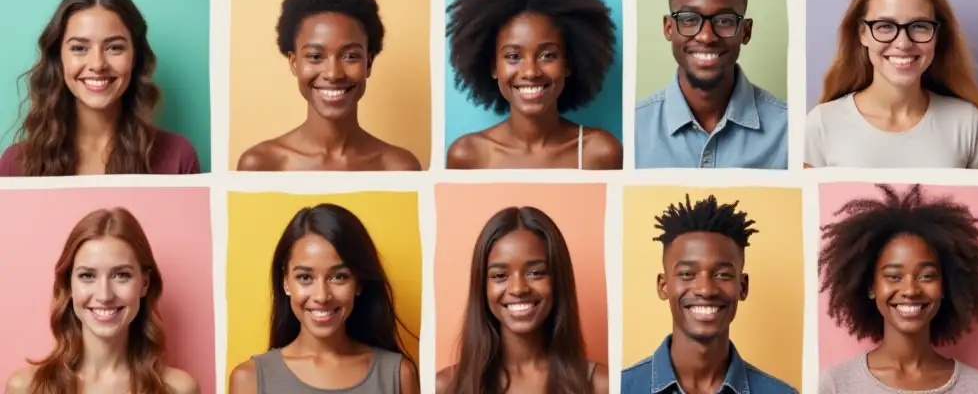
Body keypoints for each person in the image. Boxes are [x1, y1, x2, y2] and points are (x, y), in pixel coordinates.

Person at [804, 0, 978, 169]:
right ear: (863, 34)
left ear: (937, 35)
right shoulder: (822, 124)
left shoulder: (968, 123)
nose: (903, 43)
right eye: (885, 26)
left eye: (919, 26)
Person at [0, 0, 199, 176]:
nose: (97, 65)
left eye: (114, 47)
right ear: (58, 58)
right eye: (79, 48)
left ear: (135, 57)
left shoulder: (179, 157)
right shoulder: (14, 164)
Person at [444, 0, 622, 170]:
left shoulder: (599, 151)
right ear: (492, 66)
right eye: (513, 56)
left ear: (568, 64)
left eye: (548, 55)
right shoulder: (468, 155)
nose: (530, 72)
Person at [817, 184, 978, 394]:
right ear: (871, 286)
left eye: (926, 276)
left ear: (946, 285)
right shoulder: (837, 384)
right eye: (893, 276)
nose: (910, 290)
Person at [236, 0, 422, 172]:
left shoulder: (399, 167)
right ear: (294, 62)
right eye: (315, 57)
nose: (333, 74)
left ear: (368, 63)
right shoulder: (261, 165)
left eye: (350, 56)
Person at [228, 204, 420, 394]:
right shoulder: (248, 379)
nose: (321, 296)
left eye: (339, 277)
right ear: (286, 282)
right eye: (305, 277)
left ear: (359, 283)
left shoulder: (398, 375)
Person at [5, 207, 199, 394]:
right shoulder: (26, 387)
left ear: (144, 284)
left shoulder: (178, 389)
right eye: (87, 276)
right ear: (69, 284)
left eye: (121, 275)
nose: (105, 295)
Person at [621, 194, 797, 394]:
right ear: (663, 286)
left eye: (722, 275)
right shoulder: (620, 387)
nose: (705, 289)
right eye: (687, 274)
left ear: (743, 287)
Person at [635, 0, 787, 169]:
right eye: (689, 19)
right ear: (668, 28)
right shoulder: (633, 129)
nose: (706, 37)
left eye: (724, 21)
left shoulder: (788, 130)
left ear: (745, 31)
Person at [437, 206, 609, 394]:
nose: (518, 289)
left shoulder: (602, 385)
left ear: (559, 280)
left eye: (536, 273)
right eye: (500, 275)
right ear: (482, 286)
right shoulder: (445, 386)